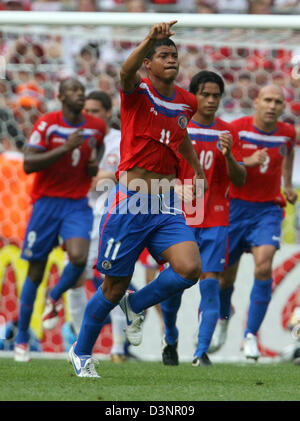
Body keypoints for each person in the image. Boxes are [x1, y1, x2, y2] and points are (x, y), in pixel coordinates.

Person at [69, 20, 207, 378]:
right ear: (149, 62)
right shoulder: (137, 91)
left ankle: (137, 305)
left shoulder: (187, 102)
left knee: (190, 267)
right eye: (163, 55)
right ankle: (82, 352)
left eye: (174, 54)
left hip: (164, 202)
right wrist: (150, 38)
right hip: (131, 200)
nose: (171, 59)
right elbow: (124, 70)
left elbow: (181, 135)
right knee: (112, 286)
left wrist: (195, 168)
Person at [14, 78, 106, 362]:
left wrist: (93, 165)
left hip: (76, 204)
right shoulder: (48, 124)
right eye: (74, 91)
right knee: (35, 270)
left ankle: (54, 298)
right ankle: (21, 340)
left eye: (82, 90)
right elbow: (29, 164)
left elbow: (98, 146)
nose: (80, 95)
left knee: (79, 259)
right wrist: (65, 149)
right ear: (61, 96)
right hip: (46, 204)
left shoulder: (96, 126)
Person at [160, 71, 246, 367]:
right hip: (180, 220)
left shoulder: (228, 133)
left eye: (216, 95)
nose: (210, 100)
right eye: (205, 94)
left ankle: (200, 353)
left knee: (211, 284)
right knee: (175, 285)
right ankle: (170, 337)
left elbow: (241, 179)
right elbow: (158, 171)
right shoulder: (178, 128)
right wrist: (174, 187)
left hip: (216, 219)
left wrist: (230, 156)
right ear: (193, 95)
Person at [209, 84, 298, 360]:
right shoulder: (237, 129)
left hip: (267, 210)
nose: (272, 106)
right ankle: (225, 316)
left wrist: (286, 184)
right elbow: (224, 165)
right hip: (235, 208)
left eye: (278, 102)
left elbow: (288, 154)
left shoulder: (287, 133)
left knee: (264, 265)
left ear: (283, 107)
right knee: (225, 278)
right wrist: (247, 160)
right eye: (268, 100)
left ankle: (250, 336)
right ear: (256, 102)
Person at [65, 90, 134, 363]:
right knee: (75, 280)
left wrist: (111, 175)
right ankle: (82, 346)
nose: (89, 116)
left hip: (111, 219)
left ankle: (118, 348)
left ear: (108, 112)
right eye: (86, 112)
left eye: (95, 111)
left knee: (113, 282)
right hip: (80, 218)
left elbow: (135, 172)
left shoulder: (120, 140)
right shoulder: (77, 140)